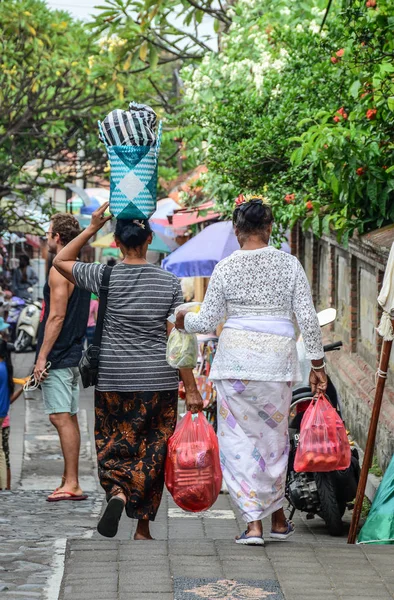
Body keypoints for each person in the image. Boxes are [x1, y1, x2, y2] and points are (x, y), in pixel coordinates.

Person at [176, 196, 327, 545]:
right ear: (270, 228)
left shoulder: (226, 267)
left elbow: (209, 320)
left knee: (238, 444)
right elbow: (307, 318)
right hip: (277, 367)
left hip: (235, 367)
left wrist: (185, 320)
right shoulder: (289, 266)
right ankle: (273, 520)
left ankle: (254, 525)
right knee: (273, 444)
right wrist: (317, 365)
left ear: (236, 230)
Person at [53, 202, 203, 539]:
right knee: (153, 448)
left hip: (114, 378)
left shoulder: (103, 276)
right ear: (149, 239)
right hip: (157, 381)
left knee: (113, 443)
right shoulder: (169, 283)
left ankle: (118, 492)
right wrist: (191, 387)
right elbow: (176, 339)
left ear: (117, 243)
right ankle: (143, 528)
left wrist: (91, 228)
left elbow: (60, 260)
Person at [34, 214, 91, 502]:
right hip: (72, 351)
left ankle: (72, 482)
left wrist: (42, 356)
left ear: (57, 237)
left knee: (60, 417)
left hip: (59, 354)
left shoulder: (59, 270)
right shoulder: (79, 267)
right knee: (67, 416)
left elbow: (55, 317)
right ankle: (71, 479)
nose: (46, 239)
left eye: (48, 234)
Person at [0, 340, 23, 490]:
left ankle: (3, 487)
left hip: (2, 416)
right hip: (3, 415)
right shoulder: (5, 369)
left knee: (1, 454)